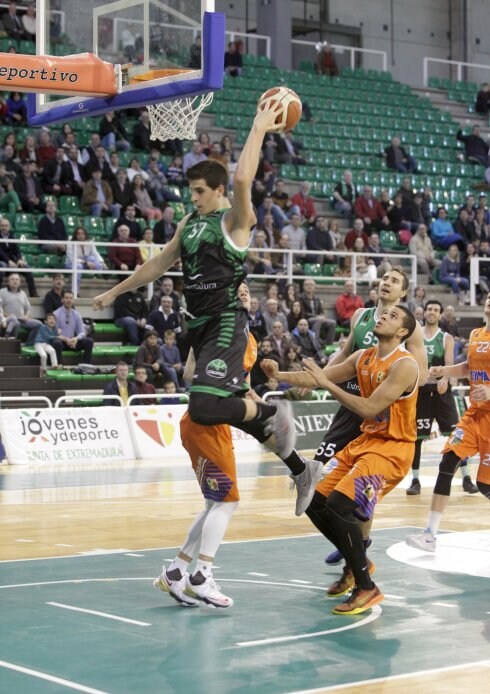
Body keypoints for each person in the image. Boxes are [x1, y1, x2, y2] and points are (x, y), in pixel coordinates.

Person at [93, 104, 321, 513]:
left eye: (200, 191)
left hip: (226, 322)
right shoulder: (188, 224)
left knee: (202, 407)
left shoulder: (236, 220)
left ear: (218, 192)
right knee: (219, 411)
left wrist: (257, 127)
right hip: (198, 327)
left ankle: (274, 411)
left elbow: (241, 176)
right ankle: (299, 468)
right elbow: (159, 264)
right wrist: (114, 291)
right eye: (191, 191)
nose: (193, 198)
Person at [263, 305, 419, 615]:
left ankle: (366, 586)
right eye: (382, 314)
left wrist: (326, 383)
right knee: (314, 500)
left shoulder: (405, 365)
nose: (383, 316)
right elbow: (317, 378)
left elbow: (368, 407)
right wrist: (278, 375)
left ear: (403, 331)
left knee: (339, 505)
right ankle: (357, 563)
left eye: (392, 316)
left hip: (392, 450)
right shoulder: (363, 357)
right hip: (365, 443)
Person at [308, 268, 428, 564]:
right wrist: (317, 377)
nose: (387, 283)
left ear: (403, 294)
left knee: (366, 481)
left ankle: (358, 542)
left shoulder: (408, 327)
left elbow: (420, 375)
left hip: (382, 402)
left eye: (395, 281)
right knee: (322, 466)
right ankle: (350, 539)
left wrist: (392, 384)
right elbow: (344, 355)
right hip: (350, 397)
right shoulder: (361, 316)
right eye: (385, 278)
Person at [153, 283, 256, 608]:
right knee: (227, 503)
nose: (242, 295)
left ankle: (176, 570)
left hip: (211, 423)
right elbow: (190, 374)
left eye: (246, 292)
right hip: (205, 422)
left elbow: (243, 387)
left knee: (216, 504)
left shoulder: (248, 339)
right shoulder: (220, 333)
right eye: (236, 292)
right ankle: (201, 575)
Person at [406, 293, 490, 553]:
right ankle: (430, 534)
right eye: (488, 298)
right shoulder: (476, 334)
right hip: (474, 415)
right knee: (448, 461)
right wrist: (444, 370)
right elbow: (467, 368)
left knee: (485, 485)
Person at [406, 300, 478, 496]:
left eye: (436, 310)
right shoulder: (414, 336)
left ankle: (466, 478)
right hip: (421, 393)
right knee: (417, 439)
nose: (432, 312)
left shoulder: (446, 338)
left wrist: (445, 379)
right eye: (429, 309)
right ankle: (414, 480)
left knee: (456, 436)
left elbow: (448, 363)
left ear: (440, 315)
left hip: (441, 393)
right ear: (424, 312)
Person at [52, 291, 94, 363]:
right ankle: (59, 366)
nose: (69, 300)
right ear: (62, 300)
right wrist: (65, 339)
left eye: (71, 298)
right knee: (56, 343)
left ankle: (86, 366)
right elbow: (54, 333)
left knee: (89, 341)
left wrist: (76, 339)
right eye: (66, 298)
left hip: (73, 342)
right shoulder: (56, 314)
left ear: (73, 300)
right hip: (62, 342)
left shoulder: (77, 314)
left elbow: (82, 333)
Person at [0, 273, 41, 343]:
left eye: (17, 279)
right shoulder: (2, 292)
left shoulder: (23, 293)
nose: (15, 281)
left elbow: (28, 308)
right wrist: (6, 315)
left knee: (39, 324)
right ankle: (12, 344)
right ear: (8, 281)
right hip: (8, 320)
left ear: (19, 282)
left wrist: (26, 316)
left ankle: (29, 344)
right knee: (16, 323)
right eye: (12, 279)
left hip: (22, 319)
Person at [65, 226, 106, 293]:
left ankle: (101, 269)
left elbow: (95, 253)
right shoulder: (70, 243)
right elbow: (72, 259)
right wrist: (86, 262)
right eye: (78, 234)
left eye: (83, 234)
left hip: (86, 263)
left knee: (92, 258)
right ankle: (75, 293)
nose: (81, 235)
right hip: (71, 263)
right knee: (78, 267)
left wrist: (102, 262)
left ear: (85, 235)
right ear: (75, 235)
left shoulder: (90, 242)